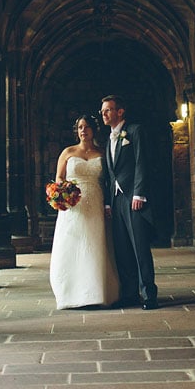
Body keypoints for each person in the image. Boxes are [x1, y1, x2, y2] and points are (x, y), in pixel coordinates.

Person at [49, 114, 121, 309]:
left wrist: (108, 205)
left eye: (87, 127)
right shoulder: (68, 152)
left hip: (96, 201)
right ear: (77, 130)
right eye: (80, 127)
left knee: (95, 244)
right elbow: (59, 177)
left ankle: (96, 292)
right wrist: (63, 193)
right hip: (73, 205)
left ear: (93, 130)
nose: (83, 130)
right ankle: (70, 293)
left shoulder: (102, 152)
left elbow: (108, 180)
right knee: (73, 243)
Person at [100, 95, 159, 309]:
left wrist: (139, 194)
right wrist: (108, 202)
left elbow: (142, 161)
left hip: (133, 198)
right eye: (103, 111)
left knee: (139, 247)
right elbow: (109, 175)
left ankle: (149, 294)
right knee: (123, 249)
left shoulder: (134, 131)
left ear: (120, 111)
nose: (104, 114)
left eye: (108, 110)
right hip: (116, 201)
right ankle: (130, 293)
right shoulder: (109, 139)